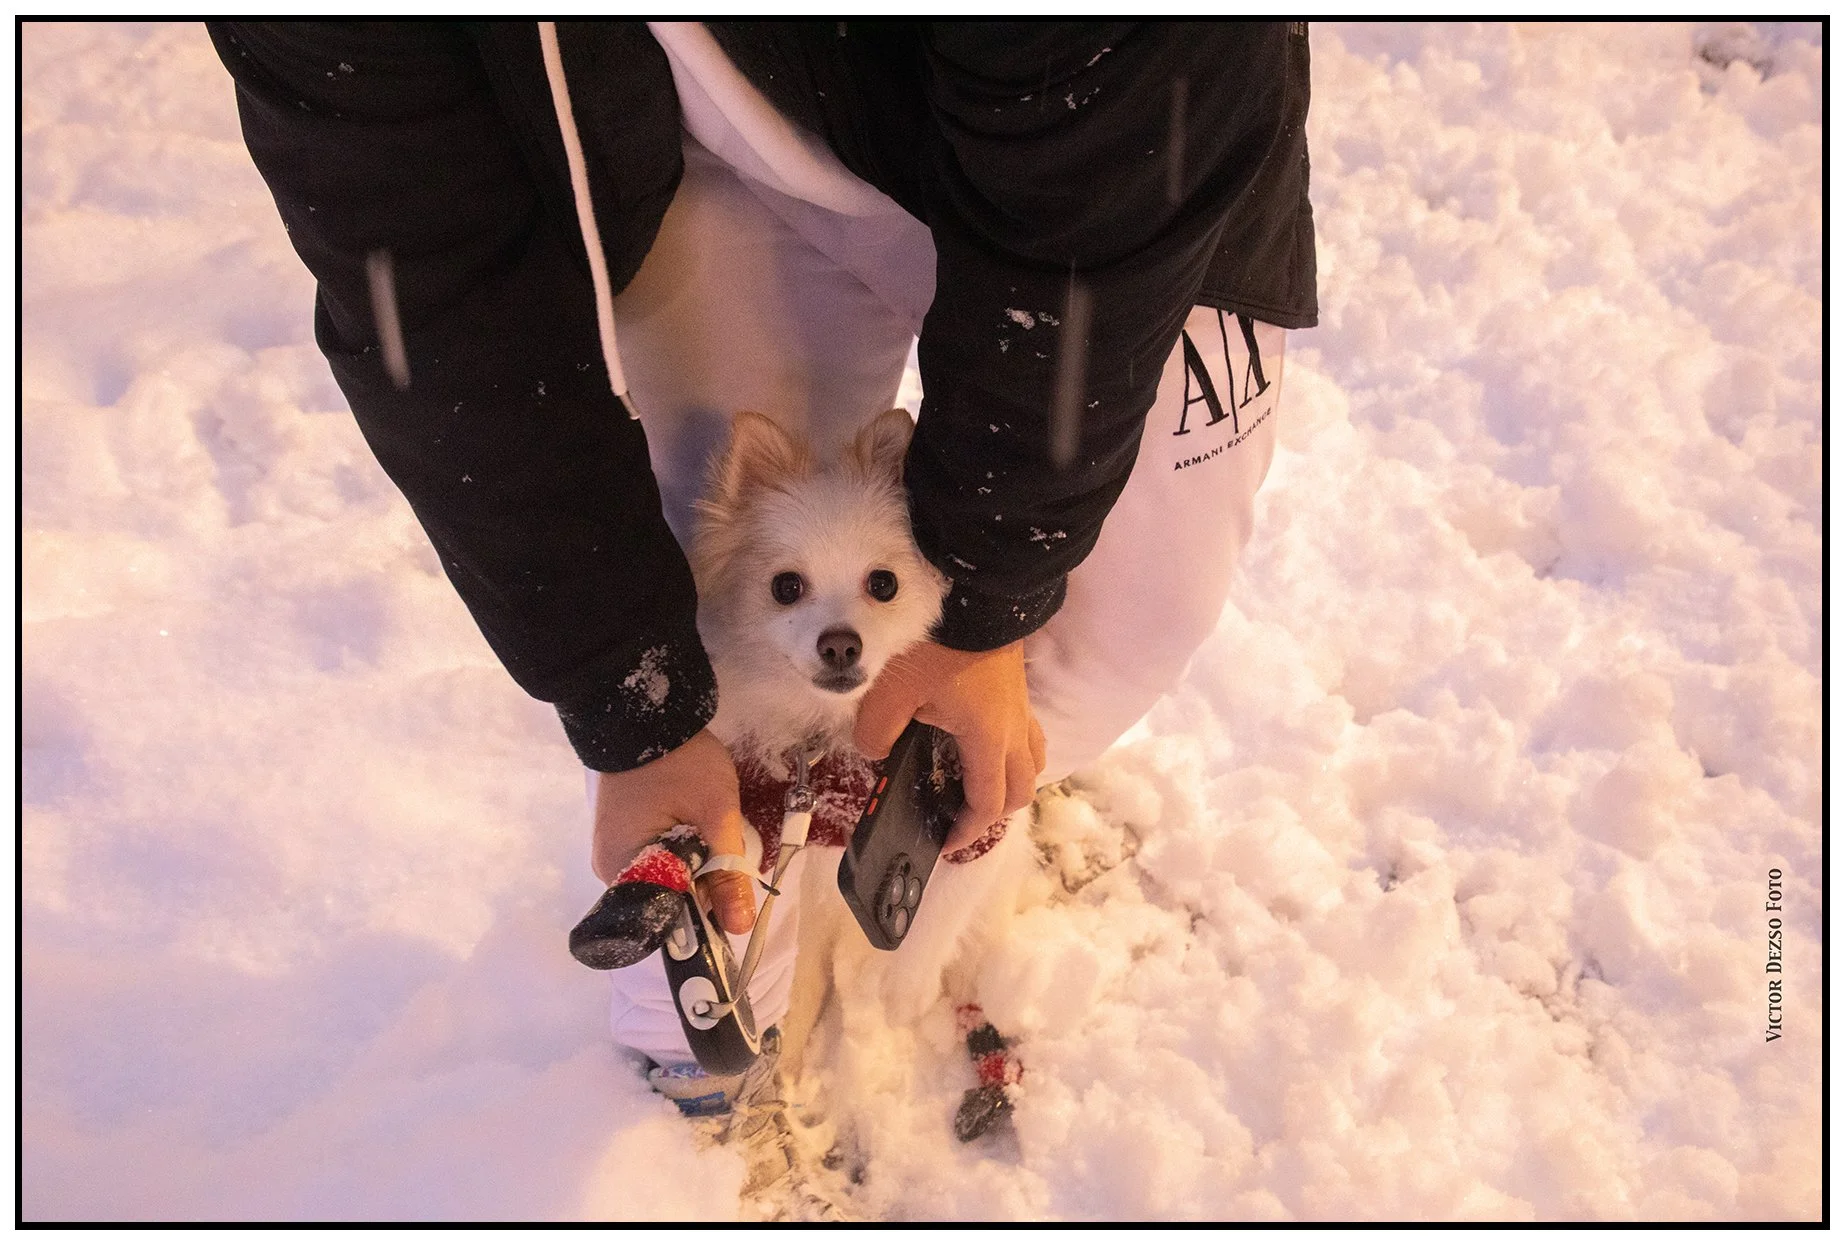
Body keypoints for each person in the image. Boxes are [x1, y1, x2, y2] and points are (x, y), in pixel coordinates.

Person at [210, 19, 1316, 1074]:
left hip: (1115, 175)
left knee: (1105, 645)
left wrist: (988, 601)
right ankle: (707, 1010)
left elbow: (1110, 152)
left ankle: (937, 831)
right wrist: (629, 707)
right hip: (686, 145)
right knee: (709, 635)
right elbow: (425, 287)